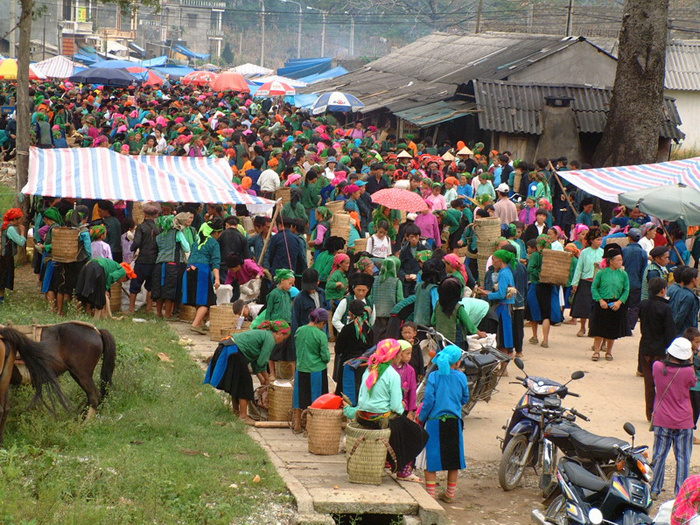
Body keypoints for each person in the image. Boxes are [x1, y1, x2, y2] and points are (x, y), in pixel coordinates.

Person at [342, 339, 429, 480]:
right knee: (417, 434)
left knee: (401, 427)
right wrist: (402, 405)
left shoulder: (369, 370)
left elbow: (362, 399)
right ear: (393, 355)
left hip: (363, 415)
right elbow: (396, 408)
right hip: (380, 419)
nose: (400, 356)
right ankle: (403, 470)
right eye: (398, 353)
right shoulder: (392, 375)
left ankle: (390, 463)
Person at [204, 320, 291, 425]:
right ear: (279, 333)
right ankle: (243, 416)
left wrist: (262, 379)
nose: (281, 342)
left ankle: (236, 411)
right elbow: (262, 362)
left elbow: (256, 362)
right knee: (245, 384)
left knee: (236, 383)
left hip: (227, 347)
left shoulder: (264, 334)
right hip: (234, 351)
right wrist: (267, 378)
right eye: (283, 339)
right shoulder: (270, 339)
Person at [419, 344, 470, 502]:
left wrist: (421, 417)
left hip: (434, 421)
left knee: (431, 459)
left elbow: (428, 401)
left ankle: (430, 495)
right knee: (454, 460)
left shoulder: (434, 376)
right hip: (454, 421)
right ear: (458, 363)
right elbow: (465, 398)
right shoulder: (461, 377)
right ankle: (450, 495)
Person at [650, 337, 697, 498]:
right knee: (683, 458)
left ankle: (654, 488)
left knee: (659, 455)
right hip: (684, 420)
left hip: (662, 418)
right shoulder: (688, 371)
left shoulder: (657, 367)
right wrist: (691, 361)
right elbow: (692, 382)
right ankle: (680, 493)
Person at [639, 277, 678, 422]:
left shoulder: (643, 305)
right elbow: (670, 333)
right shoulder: (665, 308)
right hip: (660, 351)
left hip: (645, 347)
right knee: (663, 385)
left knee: (649, 384)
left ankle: (650, 414)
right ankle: (661, 413)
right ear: (663, 290)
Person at [292, 308, 331, 433]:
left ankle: (297, 425)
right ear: (322, 323)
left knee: (299, 397)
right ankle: (310, 427)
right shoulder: (321, 335)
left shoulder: (299, 330)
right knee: (315, 399)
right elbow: (325, 357)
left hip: (301, 368)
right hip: (316, 370)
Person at [590, 243, 630, 361]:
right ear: (611, 261)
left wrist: (619, 302)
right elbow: (594, 288)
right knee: (599, 329)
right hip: (602, 304)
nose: (620, 262)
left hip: (615, 304)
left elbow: (626, 289)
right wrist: (600, 300)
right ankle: (597, 351)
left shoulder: (623, 274)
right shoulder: (601, 273)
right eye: (618, 260)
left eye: (621, 260)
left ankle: (608, 352)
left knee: (612, 331)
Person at [183, 219, 223, 334]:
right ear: (216, 233)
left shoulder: (197, 241)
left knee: (197, 298)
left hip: (190, 270)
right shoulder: (214, 243)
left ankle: (200, 323)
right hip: (202, 271)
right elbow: (216, 262)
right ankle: (195, 324)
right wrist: (217, 278)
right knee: (206, 301)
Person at [478, 249, 517, 358]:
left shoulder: (503, 274)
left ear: (500, 260)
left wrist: (487, 294)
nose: (493, 262)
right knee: (505, 336)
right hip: (507, 307)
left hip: (503, 309)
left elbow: (501, 294)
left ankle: (503, 366)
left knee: (501, 338)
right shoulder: (508, 271)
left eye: (494, 260)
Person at [525, 236, 562, 348]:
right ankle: (545, 340)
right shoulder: (552, 255)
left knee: (534, 312)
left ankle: (535, 336)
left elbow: (530, 269)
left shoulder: (536, 255)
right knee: (546, 314)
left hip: (536, 285)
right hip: (549, 287)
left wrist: (539, 274)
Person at [333, 300, 374, 398]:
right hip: (365, 365)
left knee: (347, 395)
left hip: (348, 365)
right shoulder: (368, 329)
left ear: (350, 314)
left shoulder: (347, 329)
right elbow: (371, 346)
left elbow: (338, 349)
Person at [152, 213, 190, 319]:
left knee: (158, 290)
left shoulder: (158, 237)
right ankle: (168, 314)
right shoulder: (177, 234)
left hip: (159, 265)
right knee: (170, 291)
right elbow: (186, 248)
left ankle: (159, 313)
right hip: (172, 265)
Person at [570, 227, 604, 337]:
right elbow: (579, 268)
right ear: (591, 240)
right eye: (597, 239)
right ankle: (582, 327)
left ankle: (592, 329)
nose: (600, 242)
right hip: (585, 281)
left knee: (595, 308)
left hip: (598, 283)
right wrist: (575, 283)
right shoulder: (584, 252)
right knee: (584, 306)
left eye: (601, 239)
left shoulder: (603, 252)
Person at [127, 205, 160, 314]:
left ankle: (131, 308)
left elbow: (137, 242)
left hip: (142, 260)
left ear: (145, 215)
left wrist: (132, 248)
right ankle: (149, 308)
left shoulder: (141, 227)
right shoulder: (158, 228)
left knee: (135, 283)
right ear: (155, 215)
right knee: (150, 285)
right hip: (154, 260)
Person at [266, 268, 296, 379]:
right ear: (282, 280)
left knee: (290, 351)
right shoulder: (273, 294)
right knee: (273, 351)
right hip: (276, 326)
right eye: (290, 283)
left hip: (287, 325)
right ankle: (272, 373)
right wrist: (268, 325)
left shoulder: (288, 294)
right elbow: (268, 311)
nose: (291, 286)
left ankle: (293, 375)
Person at [372, 256, 404, 343]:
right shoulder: (396, 281)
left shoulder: (375, 280)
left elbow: (370, 297)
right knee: (388, 341)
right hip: (391, 316)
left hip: (376, 315)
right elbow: (400, 300)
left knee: (377, 339)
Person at [622, 228, 647, 331]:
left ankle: (622, 325)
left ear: (629, 238)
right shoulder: (643, 253)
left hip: (623, 283)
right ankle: (630, 327)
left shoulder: (623, 251)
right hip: (637, 284)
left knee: (622, 304)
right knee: (634, 306)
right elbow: (643, 271)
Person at [0, 208, 26, 303]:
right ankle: (1, 300)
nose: (21, 221)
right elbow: (21, 242)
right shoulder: (10, 229)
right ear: (14, 219)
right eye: (20, 219)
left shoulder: (4, 225)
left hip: (2, 255)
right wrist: (23, 232)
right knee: (2, 279)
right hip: (5, 257)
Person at [670, 267, 700, 337]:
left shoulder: (680, 292)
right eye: (697, 278)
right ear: (693, 279)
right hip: (686, 333)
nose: (698, 280)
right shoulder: (689, 297)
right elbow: (680, 316)